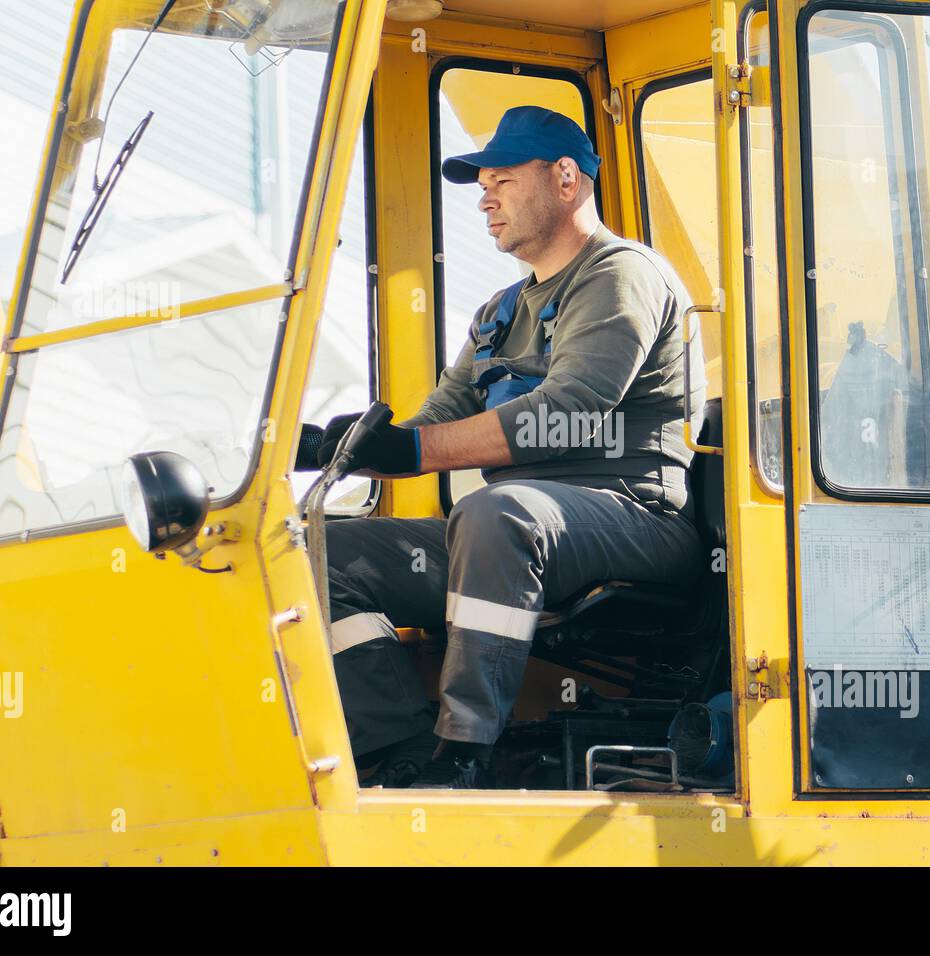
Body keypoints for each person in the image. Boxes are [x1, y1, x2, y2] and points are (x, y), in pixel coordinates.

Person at [300, 105, 706, 789]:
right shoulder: (498, 313)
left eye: (503, 179)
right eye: (481, 184)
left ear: (567, 178)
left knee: (499, 514)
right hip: (512, 532)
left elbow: (573, 409)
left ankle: (465, 750)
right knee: (318, 553)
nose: (485, 197)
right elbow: (433, 425)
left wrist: (415, 450)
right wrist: (336, 446)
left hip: (632, 517)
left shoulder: (622, 275)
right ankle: (394, 743)